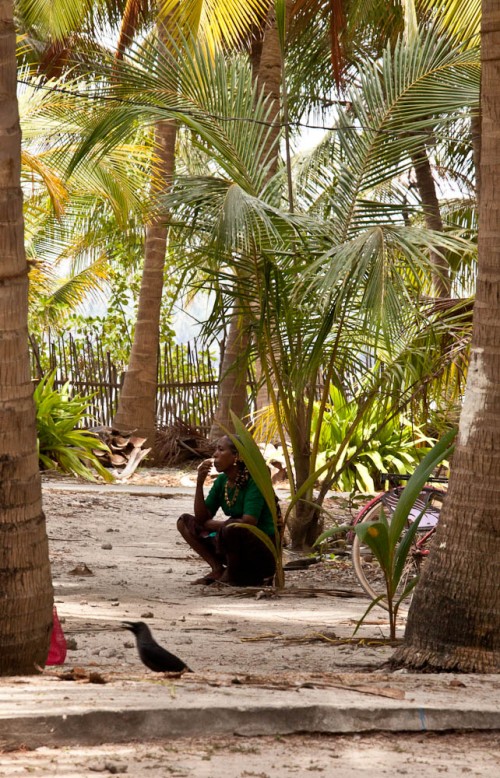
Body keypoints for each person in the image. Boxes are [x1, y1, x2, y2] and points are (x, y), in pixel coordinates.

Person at [177, 435, 277, 586]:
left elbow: (249, 522)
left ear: (236, 456)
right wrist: (199, 483)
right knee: (184, 522)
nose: (215, 455)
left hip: (259, 551)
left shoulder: (254, 481)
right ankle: (217, 568)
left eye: (221, 450)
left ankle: (232, 574)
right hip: (231, 544)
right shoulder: (222, 481)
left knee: (232, 528)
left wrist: (215, 525)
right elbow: (201, 519)